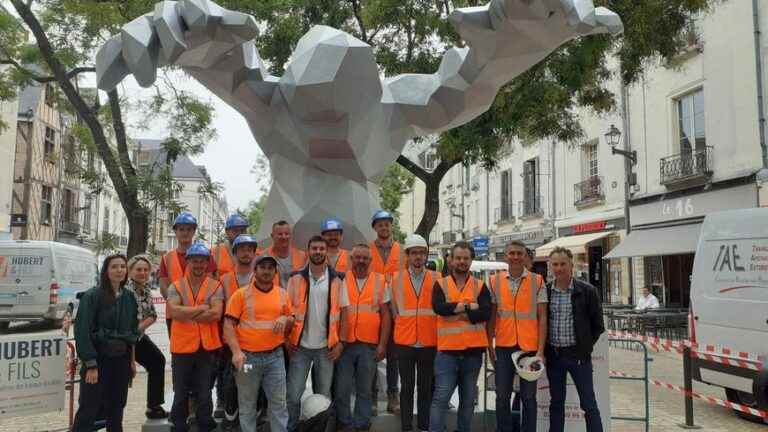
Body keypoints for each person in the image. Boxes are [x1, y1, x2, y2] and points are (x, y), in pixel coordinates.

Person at [223, 254, 294, 432]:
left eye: (270, 268)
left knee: (278, 404)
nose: (266, 271)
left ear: (275, 272)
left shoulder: (283, 294)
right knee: (247, 405)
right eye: (262, 267)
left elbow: (291, 319)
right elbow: (228, 325)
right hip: (248, 360)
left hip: (275, 358)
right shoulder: (240, 295)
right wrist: (236, 352)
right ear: (255, 271)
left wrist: (285, 318)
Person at [286, 236, 349, 432]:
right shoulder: (295, 279)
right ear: (308, 251)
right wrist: (287, 341)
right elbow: (285, 311)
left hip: (326, 349)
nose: (318, 252)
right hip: (300, 348)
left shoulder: (337, 279)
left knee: (324, 395)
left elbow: (345, 312)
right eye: (314, 248)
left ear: (326, 252)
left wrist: (341, 343)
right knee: (293, 395)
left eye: (322, 248)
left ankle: (323, 428)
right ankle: (292, 427)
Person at [72, 254, 140, 432]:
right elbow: (82, 331)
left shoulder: (129, 297)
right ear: (106, 271)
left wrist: (131, 361)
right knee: (89, 408)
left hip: (121, 360)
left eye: (122, 267)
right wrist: (91, 364)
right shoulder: (92, 296)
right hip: (98, 359)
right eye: (114, 267)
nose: (119, 270)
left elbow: (133, 331)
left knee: (117, 408)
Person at [429, 241, 491, 432]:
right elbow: (440, 308)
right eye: (458, 258)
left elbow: (485, 313)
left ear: (471, 260)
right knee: (441, 398)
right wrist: (467, 307)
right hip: (447, 353)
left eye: (466, 258)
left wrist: (455, 310)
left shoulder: (480, 286)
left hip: (472, 354)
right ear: (451, 260)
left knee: (467, 401)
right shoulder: (440, 284)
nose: (462, 262)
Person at [487, 241, 547, 432]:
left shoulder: (537, 280)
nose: (515, 256)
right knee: (501, 396)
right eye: (511, 253)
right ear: (505, 256)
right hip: (504, 347)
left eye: (519, 253)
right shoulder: (494, 281)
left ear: (525, 256)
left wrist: (540, 350)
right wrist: (489, 346)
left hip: (529, 348)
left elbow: (542, 317)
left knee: (529, 397)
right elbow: (491, 318)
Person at [545, 247, 605, 432]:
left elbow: (598, 326)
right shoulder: (545, 292)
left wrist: (583, 347)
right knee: (556, 403)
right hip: (554, 357)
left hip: (579, 357)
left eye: (563, 264)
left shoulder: (587, 291)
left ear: (571, 265)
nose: (559, 268)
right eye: (555, 264)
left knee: (588, 404)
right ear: (550, 266)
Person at [167, 243, 224, 432]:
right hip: (182, 346)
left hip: (207, 346)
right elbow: (174, 312)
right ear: (188, 261)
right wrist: (201, 309)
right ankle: (178, 424)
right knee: (181, 390)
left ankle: (205, 421)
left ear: (208, 263)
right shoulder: (176, 286)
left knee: (205, 389)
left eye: (202, 261)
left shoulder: (215, 286)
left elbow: (216, 314)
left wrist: (186, 312)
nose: (198, 265)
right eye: (195, 261)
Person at [335, 244, 392, 432]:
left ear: (370, 260)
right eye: (357, 257)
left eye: (364, 258)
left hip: (369, 345)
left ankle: (362, 424)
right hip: (345, 344)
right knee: (342, 388)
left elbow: (385, 315)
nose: (360, 261)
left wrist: (382, 344)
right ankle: (344, 422)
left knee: (365, 389)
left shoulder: (380, 280)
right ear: (351, 260)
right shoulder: (340, 279)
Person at [390, 234, 438, 432]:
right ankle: (407, 428)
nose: (418, 256)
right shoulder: (396, 279)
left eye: (422, 253)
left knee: (425, 388)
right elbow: (393, 309)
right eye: (414, 253)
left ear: (426, 256)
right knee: (407, 387)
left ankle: (424, 427)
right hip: (405, 342)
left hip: (429, 341)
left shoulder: (438, 278)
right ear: (407, 256)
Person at [217, 234, 260, 427]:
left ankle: (253, 415)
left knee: (251, 377)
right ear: (234, 253)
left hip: (254, 342)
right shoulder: (224, 279)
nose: (246, 252)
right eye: (241, 249)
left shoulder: (263, 278)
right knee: (230, 379)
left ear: (254, 253)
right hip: (231, 342)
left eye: (249, 249)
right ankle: (230, 416)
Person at [369, 210, 404, 414]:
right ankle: (372, 396)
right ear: (374, 227)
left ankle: (393, 396)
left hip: (395, 309)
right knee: (374, 354)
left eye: (387, 224)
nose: (384, 227)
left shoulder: (401, 251)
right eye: (380, 224)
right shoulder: (369, 249)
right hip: (374, 309)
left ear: (392, 226)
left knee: (393, 356)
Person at [159, 212, 217, 333]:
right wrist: (178, 306)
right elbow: (164, 287)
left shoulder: (206, 255)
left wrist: (195, 308)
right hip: (175, 314)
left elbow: (211, 284)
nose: (185, 233)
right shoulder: (166, 258)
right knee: (179, 348)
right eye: (181, 229)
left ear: (194, 231)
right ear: (175, 231)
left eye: (189, 229)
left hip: (201, 312)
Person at [126, 254, 168, 420]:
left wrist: (141, 327)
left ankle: (154, 406)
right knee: (125, 375)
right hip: (126, 339)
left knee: (158, 360)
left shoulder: (146, 289)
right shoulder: (127, 291)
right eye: (138, 270)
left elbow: (152, 315)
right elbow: (131, 324)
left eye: (145, 270)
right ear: (130, 272)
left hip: (138, 335)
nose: (142, 273)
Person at [262, 220, 307, 288]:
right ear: (272, 236)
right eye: (280, 234)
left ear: (291, 235)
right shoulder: (263, 256)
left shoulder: (302, 256)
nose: (284, 237)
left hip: (296, 297)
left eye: (287, 234)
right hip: (274, 297)